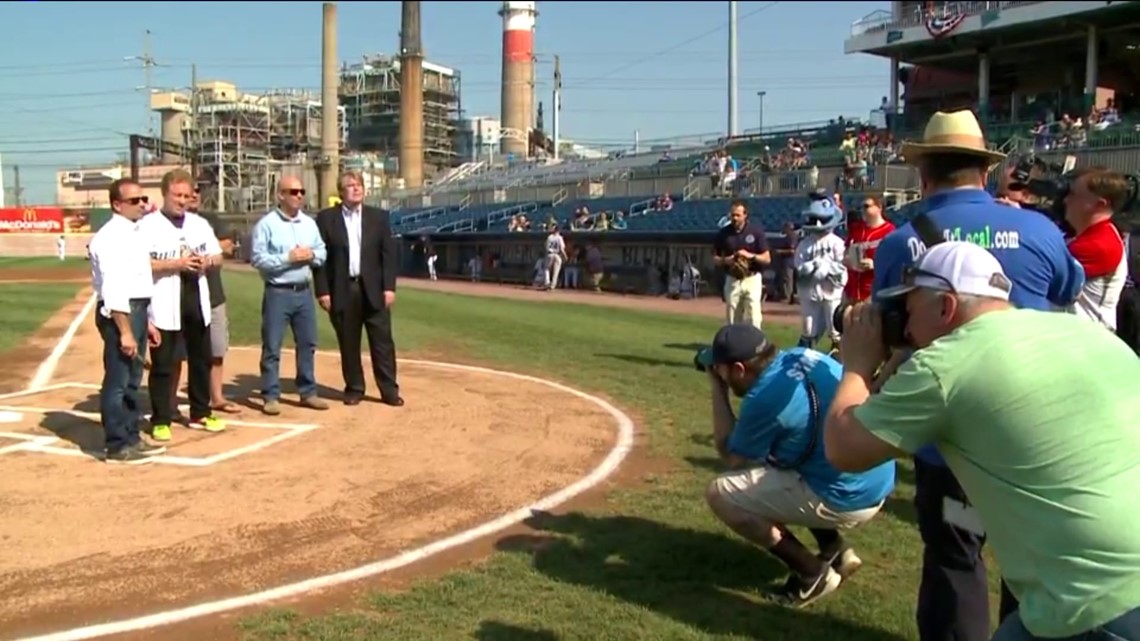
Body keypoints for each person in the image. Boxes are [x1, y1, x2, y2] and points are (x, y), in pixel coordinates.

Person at [825, 241, 1140, 641]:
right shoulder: (1085, 332)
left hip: (1095, 595)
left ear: (945, 307)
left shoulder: (946, 365)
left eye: (909, 308)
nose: (903, 325)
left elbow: (844, 447)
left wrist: (857, 366)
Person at [869, 110, 1086, 641]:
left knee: (954, 559)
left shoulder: (901, 243)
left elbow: (888, 329)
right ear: (985, 172)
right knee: (1029, 563)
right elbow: (1068, 289)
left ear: (924, 175)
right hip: (1030, 435)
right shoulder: (1038, 228)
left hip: (949, 441)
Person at [699, 324, 895, 607]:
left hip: (849, 497)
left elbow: (731, 455)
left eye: (722, 370)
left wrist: (717, 389)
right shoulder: (802, 354)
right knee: (784, 457)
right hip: (875, 473)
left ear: (739, 369)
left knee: (722, 494)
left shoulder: (763, 399)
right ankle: (836, 550)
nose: (721, 375)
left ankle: (812, 575)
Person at [140, 169, 226, 442]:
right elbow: (140, 264)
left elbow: (218, 255)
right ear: (165, 194)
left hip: (195, 298)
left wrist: (205, 261)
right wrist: (175, 264)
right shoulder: (147, 226)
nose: (182, 200)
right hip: (163, 302)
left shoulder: (198, 224)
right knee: (163, 363)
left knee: (200, 360)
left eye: (186, 196)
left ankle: (200, 412)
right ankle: (161, 418)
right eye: (177, 195)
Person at [89, 178, 164, 464]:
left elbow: (138, 283)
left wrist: (146, 322)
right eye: (135, 201)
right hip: (120, 312)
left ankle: (131, 436)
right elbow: (114, 289)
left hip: (136, 310)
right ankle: (117, 444)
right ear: (117, 205)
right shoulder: (110, 237)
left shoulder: (133, 233)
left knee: (132, 380)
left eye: (143, 199)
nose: (142, 205)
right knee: (118, 381)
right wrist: (125, 331)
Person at [313, 171, 403, 407]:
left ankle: (389, 390)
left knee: (382, 342)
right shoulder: (326, 219)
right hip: (343, 289)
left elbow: (388, 255)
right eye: (350, 185)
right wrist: (322, 291)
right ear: (341, 191)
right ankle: (354, 387)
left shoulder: (378, 217)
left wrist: (389, 287)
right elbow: (320, 260)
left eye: (359, 185)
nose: (356, 188)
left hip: (373, 288)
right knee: (349, 342)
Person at [249, 177, 329, 415]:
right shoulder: (266, 225)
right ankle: (271, 395)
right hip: (278, 292)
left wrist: (311, 255)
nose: (299, 195)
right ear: (280, 195)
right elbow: (258, 259)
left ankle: (308, 392)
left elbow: (322, 251)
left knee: (307, 343)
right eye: (293, 191)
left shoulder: (309, 223)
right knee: (272, 345)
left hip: (304, 292)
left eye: (301, 191)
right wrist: (288, 258)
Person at [1063, 167, 1130, 331]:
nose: (1066, 200)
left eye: (1074, 195)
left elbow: (1042, 266)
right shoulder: (1099, 234)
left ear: (1099, 205)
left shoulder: (1099, 244)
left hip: (1089, 340)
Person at [793, 195, 847, 353]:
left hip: (830, 290)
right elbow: (799, 266)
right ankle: (804, 356)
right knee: (808, 327)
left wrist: (827, 269)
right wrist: (810, 267)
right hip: (810, 290)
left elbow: (842, 265)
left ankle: (837, 355)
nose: (817, 223)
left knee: (834, 326)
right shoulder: (805, 243)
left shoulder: (836, 242)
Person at [712, 200, 771, 328]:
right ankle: (734, 345)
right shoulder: (724, 233)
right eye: (732, 215)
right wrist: (726, 260)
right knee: (732, 316)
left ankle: (755, 345)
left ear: (745, 215)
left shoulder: (756, 232)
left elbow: (767, 258)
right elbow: (714, 258)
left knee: (754, 315)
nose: (734, 218)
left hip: (752, 278)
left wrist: (750, 255)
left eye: (738, 215)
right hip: (733, 278)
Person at [843, 195, 895, 303]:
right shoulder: (856, 229)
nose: (862, 210)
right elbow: (845, 252)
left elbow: (894, 262)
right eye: (861, 207)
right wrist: (848, 260)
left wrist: (875, 264)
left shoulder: (890, 231)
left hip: (873, 293)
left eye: (866, 206)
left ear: (879, 207)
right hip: (852, 291)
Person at [543, 225, 567, 291]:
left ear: (554, 230)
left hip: (550, 254)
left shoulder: (549, 237)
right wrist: (565, 256)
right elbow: (562, 249)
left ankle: (547, 283)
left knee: (546, 269)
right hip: (557, 255)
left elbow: (546, 247)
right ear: (559, 231)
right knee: (556, 271)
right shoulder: (560, 238)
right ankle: (552, 286)